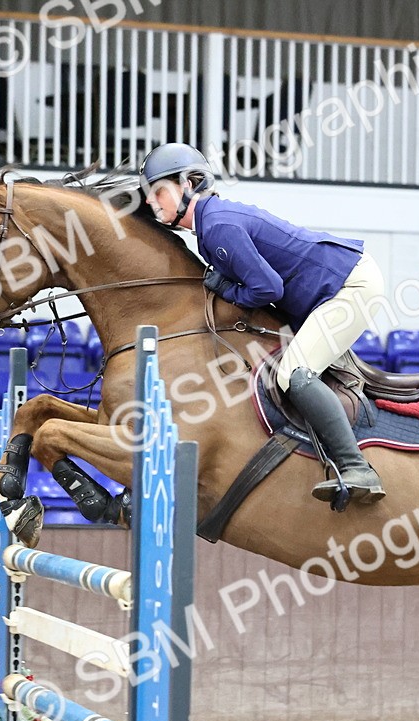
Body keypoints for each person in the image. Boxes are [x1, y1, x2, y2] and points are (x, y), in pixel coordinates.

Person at [139, 142, 386, 505]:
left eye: (158, 190)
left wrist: (228, 289)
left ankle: (357, 468)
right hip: (327, 289)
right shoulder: (211, 225)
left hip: (347, 285)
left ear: (188, 184)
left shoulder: (219, 225)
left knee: (295, 374)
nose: (149, 201)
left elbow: (268, 287)